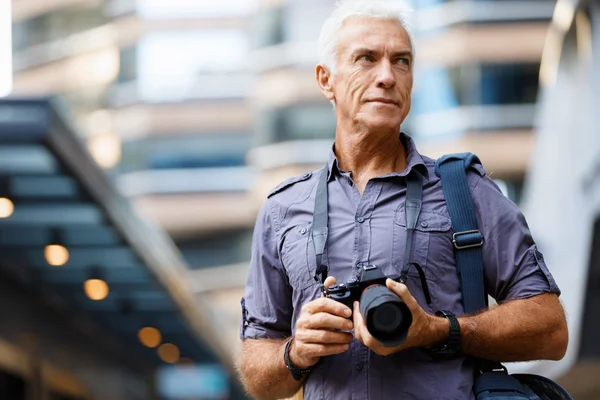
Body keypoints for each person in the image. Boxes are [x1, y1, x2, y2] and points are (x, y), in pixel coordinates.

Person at [235, 1, 569, 399]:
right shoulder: (282, 210)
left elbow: (551, 329)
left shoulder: (465, 192)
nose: (386, 77)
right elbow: (257, 377)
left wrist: (438, 329)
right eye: (366, 59)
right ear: (326, 80)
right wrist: (296, 352)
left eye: (402, 61)